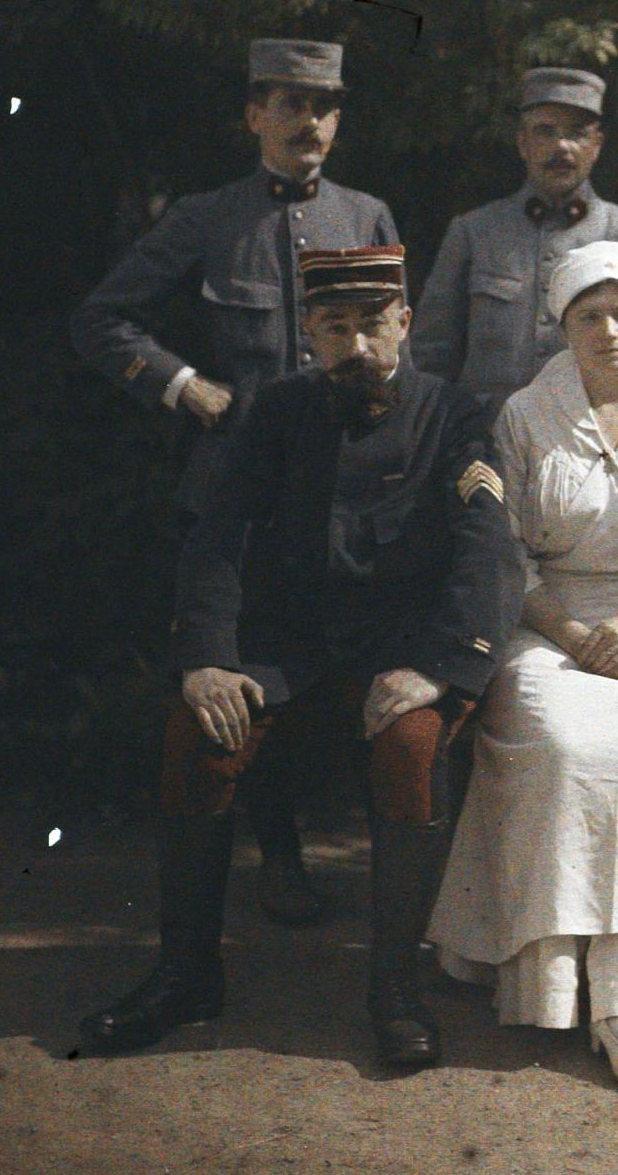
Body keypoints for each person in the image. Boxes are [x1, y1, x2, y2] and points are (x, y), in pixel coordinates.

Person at [76, 246, 522, 1070]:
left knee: (412, 747)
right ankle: (185, 976)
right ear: (310, 332)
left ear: (405, 323)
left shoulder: (456, 415)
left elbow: (485, 547)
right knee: (196, 733)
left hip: (402, 650)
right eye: (335, 327)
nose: (356, 346)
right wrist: (207, 656)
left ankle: (395, 989)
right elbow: (219, 536)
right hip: (290, 649)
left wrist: (440, 665)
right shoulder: (274, 411)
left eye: (372, 325)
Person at [70, 38, 400, 928]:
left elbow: (398, 344)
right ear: (254, 113)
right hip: (238, 496)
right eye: (290, 104)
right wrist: (185, 386)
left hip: (344, 490)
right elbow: (102, 320)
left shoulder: (367, 213)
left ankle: (397, 882)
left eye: (325, 106)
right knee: (241, 679)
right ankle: (279, 860)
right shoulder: (208, 217)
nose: (310, 123)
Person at [428, 242, 618, 1095]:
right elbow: (501, 550)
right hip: (544, 623)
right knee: (563, 746)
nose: (609, 328)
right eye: (588, 314)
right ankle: (555, 979)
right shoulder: (526, 414)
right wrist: (568, 630)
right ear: (562, 326)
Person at [410, 67, 618, 415]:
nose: (561, 147)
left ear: (596, 146)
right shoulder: (474, 232)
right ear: (522, 143)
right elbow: (431, 354)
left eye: (577, 134)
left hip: (590, 438)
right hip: (487, 438)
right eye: (545, 132)